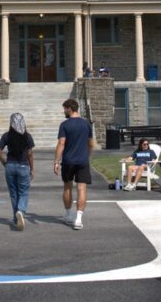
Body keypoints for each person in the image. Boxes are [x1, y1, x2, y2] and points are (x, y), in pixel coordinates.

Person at [54, 98, 94, 230]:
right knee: (81, 189)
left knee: (67, 188)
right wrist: (87, 156)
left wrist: (56, 161)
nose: (64, 111)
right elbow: (91, 143)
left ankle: (68, 215)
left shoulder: (64, 125)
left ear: (69, 109)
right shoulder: (86, 124)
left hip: (68, 161)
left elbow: (61, 144)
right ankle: (79, 219)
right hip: (83, 160)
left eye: (64, 109)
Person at [0, 112, 35, 230]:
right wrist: (32, 169)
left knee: (13, 193)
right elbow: (30, 154)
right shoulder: (27, 136)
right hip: (23, 166)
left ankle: (16, 218)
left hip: (10, 166)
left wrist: (4, 163)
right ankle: (21, 211)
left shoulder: (6, 136)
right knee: (23, 192)